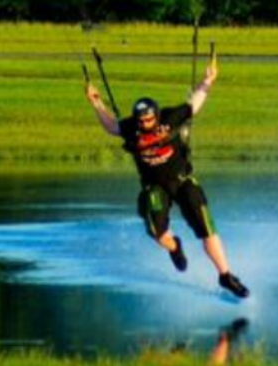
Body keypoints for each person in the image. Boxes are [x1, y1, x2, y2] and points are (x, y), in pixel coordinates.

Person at [85, 53, 249, 298]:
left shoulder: (170, 118)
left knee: (206, 227)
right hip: (155, 187)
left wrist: (208, 81)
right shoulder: (131, 128)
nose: (145, 123)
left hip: (182, 181)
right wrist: (96, 102)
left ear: (156, 115)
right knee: (157, 231)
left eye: (149, 119)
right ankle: (175, 247)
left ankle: (225, 276)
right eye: (141, 120)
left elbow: (193, 105)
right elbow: (112, 126)